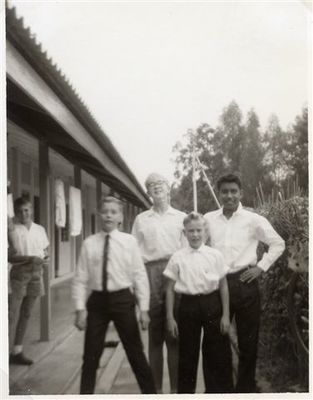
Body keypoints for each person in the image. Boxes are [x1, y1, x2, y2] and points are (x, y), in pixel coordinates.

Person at [204, 174, 285, 393]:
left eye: (233, 191)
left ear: (241, 193)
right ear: (219, 194)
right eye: (224, 192)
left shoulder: (253, 219)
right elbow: (197, 247)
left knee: (248, 341)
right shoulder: (209, 219)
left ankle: (245, 389)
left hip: (245, 283)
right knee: (215, 340)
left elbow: (278, 243)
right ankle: (220, 390)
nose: (229, 196)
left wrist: (261, 267)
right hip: (218, 285)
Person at [72, 196, 156, 394]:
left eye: (113, 212)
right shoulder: (89, 243)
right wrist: (79, 309)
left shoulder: (129, 242)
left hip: (122, 300)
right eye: (105, 211)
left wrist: (143, 309)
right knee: (90, 357)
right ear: (99, 214)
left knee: (135, 353)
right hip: (97, 302)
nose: (108, 215)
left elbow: (139, 276)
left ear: (121, 217)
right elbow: (80, 278)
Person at [164, 212, 234, 393]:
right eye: (190, 231)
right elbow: (170, 289)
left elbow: (224, 286)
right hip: (187, 306)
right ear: (184, 233)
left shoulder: (215, 255)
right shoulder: (178, 257)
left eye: (198, 230)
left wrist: (226, 315)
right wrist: (170, 317)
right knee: (187, 354)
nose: (195, 235)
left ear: (205, 232)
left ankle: (215, 393)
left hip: (212, 304)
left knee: (215, 353)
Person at [132, 172, 186, 394]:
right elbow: (133, 254)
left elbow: (188, 251)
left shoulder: (181, 217)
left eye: (160, 184)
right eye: (151, 185)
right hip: (150, 274)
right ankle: (156, 392)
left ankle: (175, 391)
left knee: (174, 335)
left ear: (168, 188)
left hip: (175, 273)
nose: (156, 187)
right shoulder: (142, 219)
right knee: (155, 336)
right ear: (148, 192)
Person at [8, 196, 49, 365]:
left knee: (26, 313)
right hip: (19, 273)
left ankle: (17, 351)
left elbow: (45, 251)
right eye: (20, 211)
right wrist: (30, 258)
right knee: (10, 313)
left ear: (31, 210)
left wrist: (45, 259)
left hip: (36, 273)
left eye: (26, 210)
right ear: (16, 213)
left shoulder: (40, 229)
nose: (24, 214)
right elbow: (9, 257)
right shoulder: (12, 230)